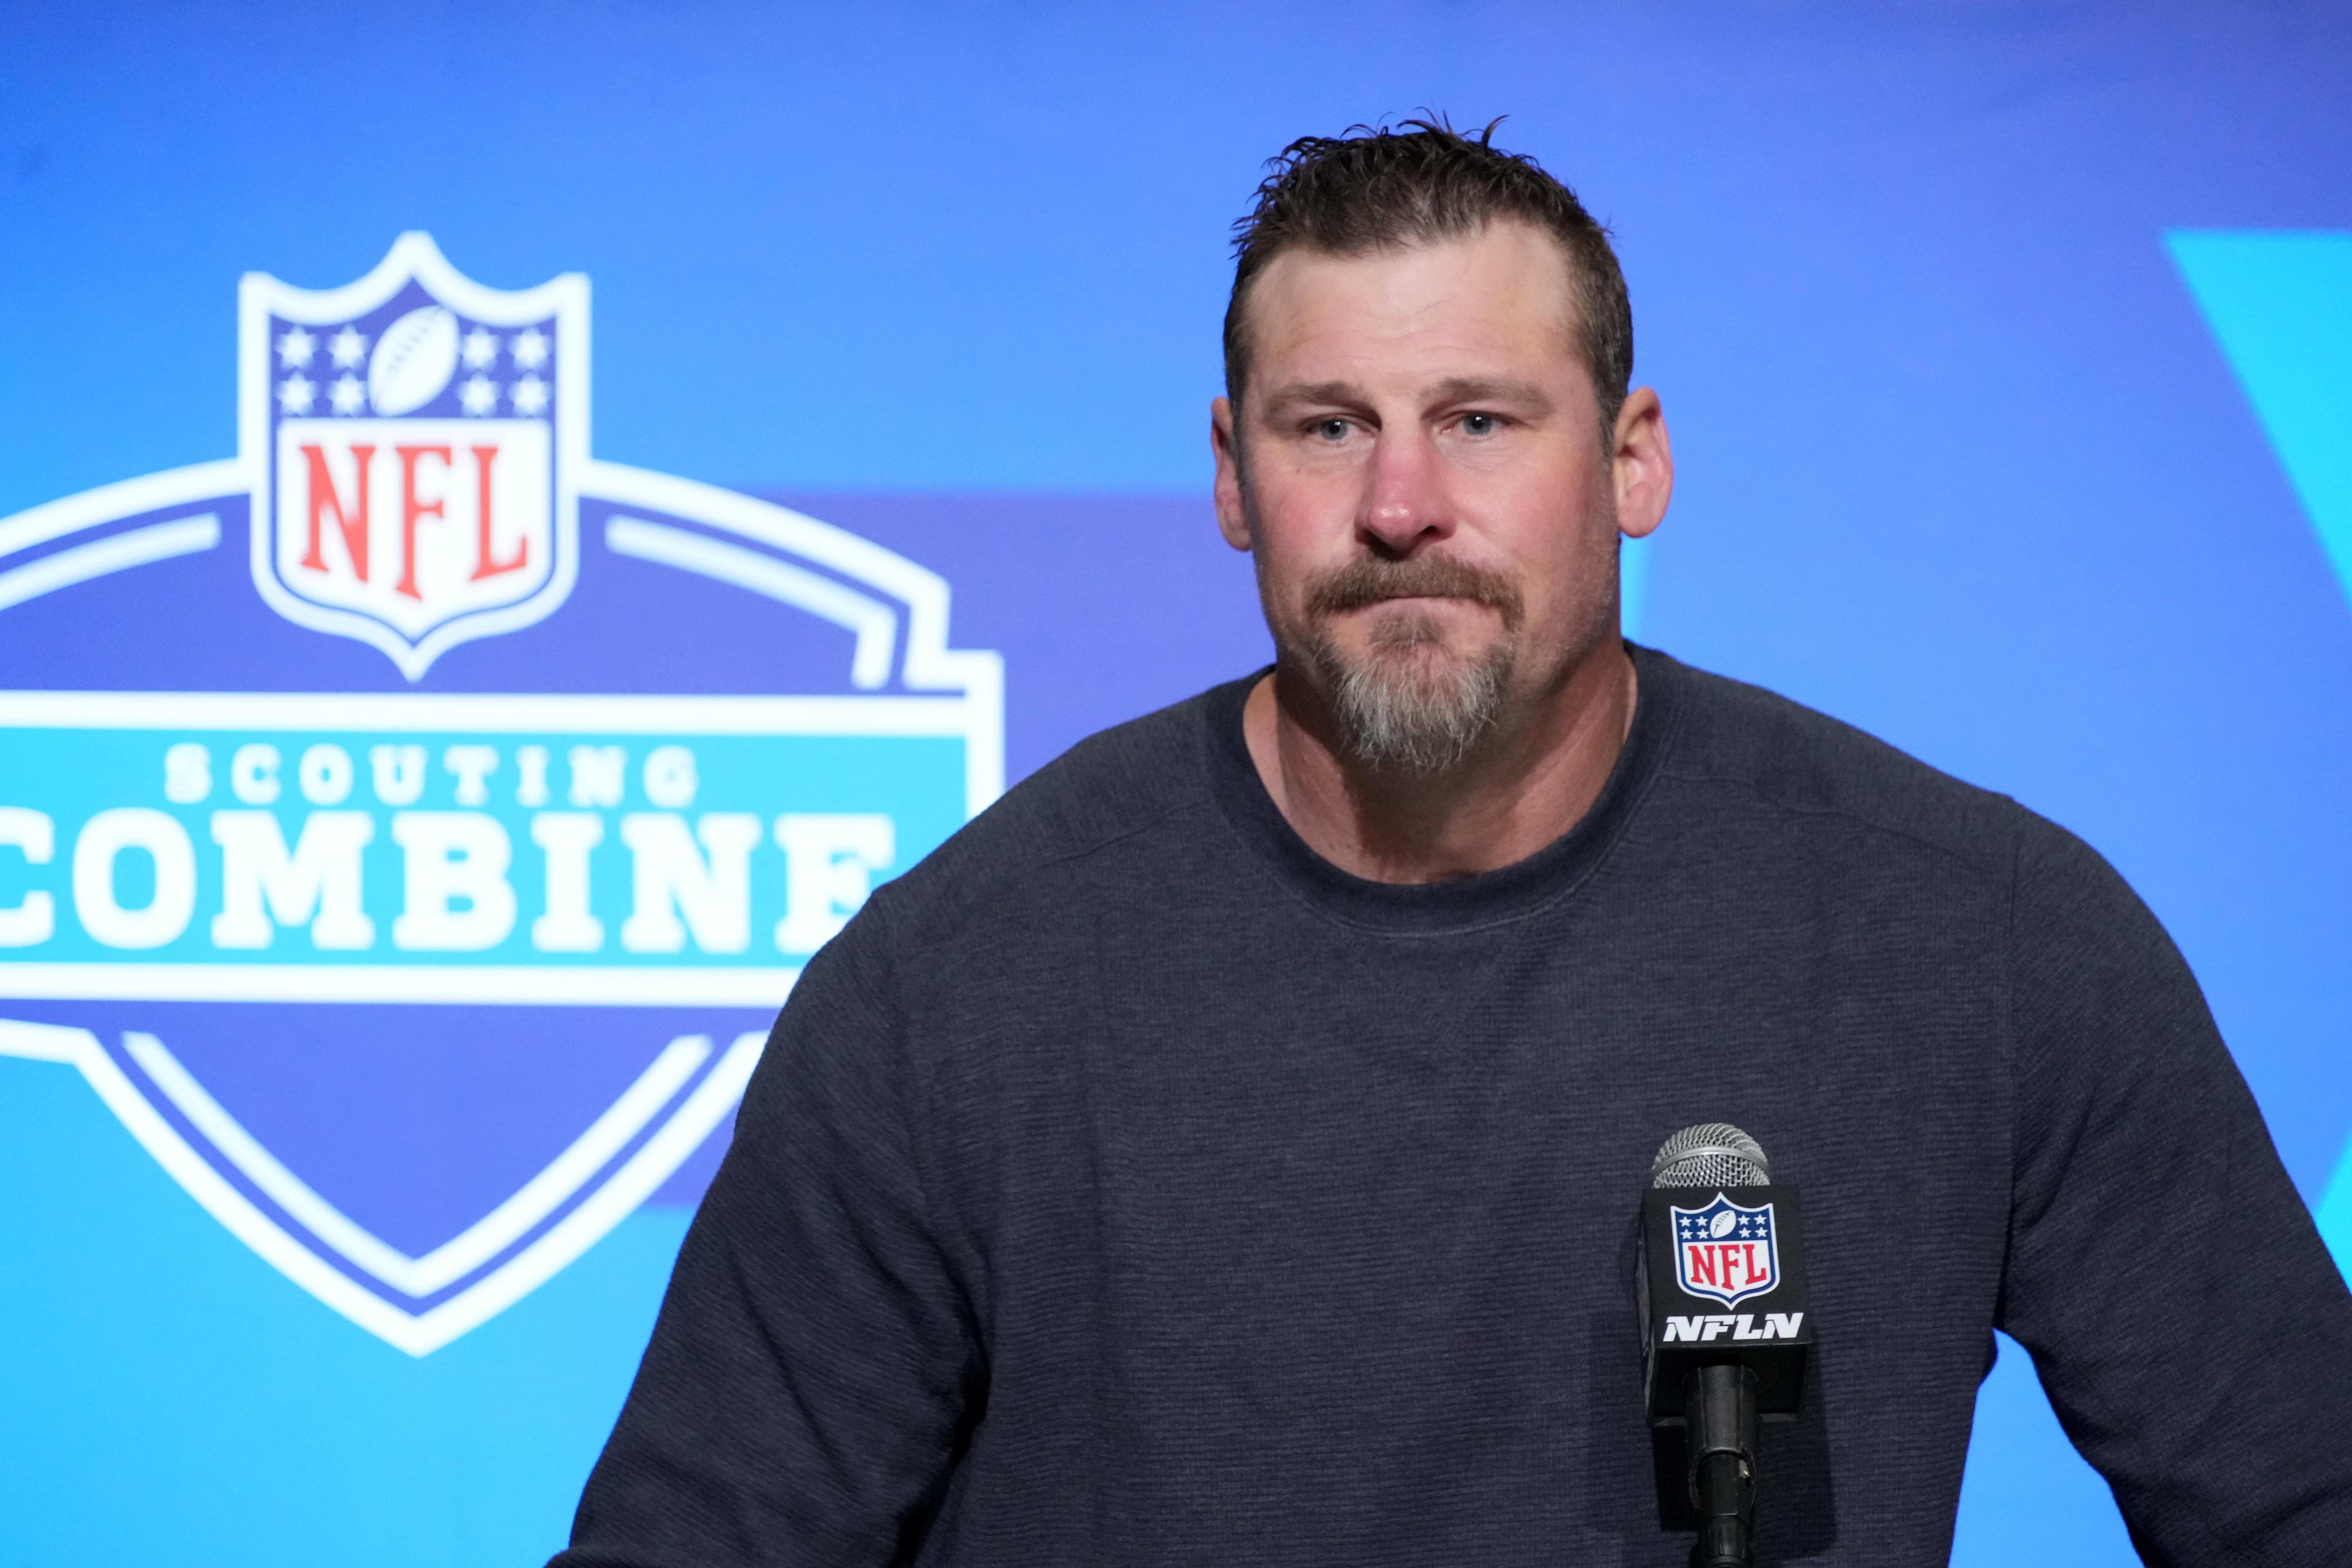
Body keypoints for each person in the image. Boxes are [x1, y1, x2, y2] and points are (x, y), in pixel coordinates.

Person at [552, 121, 2352, 1567]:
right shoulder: (953, 988)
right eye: (1326, 428)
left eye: (1477, 423)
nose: (1401, 505)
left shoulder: (1984, 940)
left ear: (1632, 460)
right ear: (1229, 477)